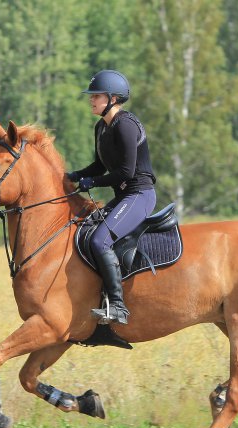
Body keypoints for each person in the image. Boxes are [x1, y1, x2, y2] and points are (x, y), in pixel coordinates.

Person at [66, 70, 157, 325]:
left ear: (114, 98)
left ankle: (117, 306)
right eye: (91, 96)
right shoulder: (101, 128)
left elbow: (126, 172)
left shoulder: (125, 124)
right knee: (84, 231)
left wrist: (92, 182)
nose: (91, 100)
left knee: (99, 240)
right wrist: (72, 176)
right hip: (125, 196)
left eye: (96, 96)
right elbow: (99, 167)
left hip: (140, 195)